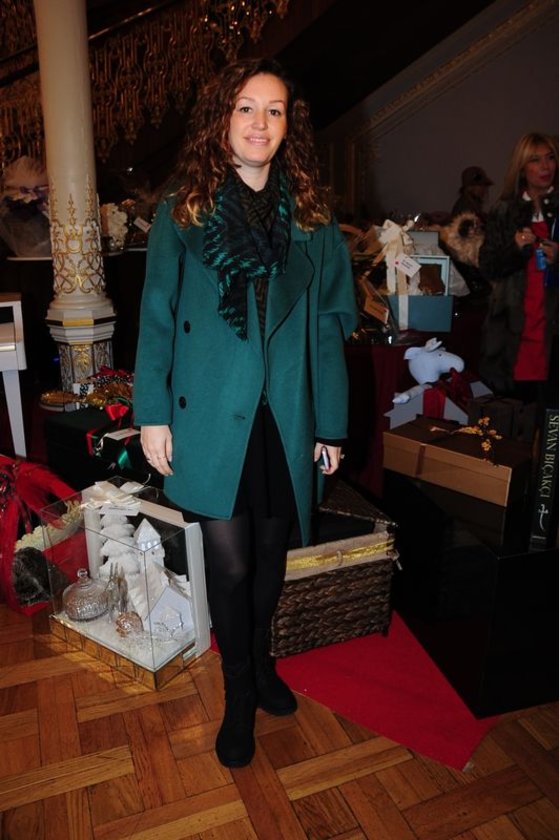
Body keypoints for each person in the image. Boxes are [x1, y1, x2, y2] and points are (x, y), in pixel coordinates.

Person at [132, 57, 358, 768]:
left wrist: (330, 424)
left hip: (285, 415)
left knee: (269, 559)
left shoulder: (312, 218)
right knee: (229, 567)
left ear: (290, 125)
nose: (260, 122)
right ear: (221, 119)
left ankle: (260, 664)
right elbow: (157, 314)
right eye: (246, 108)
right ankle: (237, 690)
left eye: (274, 110)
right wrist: (151, 413)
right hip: (208, 414)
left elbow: (329, 327)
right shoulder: (183, 208)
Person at [478, 132, 559, 403]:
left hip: (552, 330)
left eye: (550, 158)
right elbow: (488, 267)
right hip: (513, 334)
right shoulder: (504, 211)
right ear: (522, 168)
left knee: (552, 419)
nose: (545, 166)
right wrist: (514, 248)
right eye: (535, 160)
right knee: (514, 415)